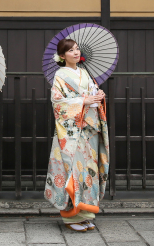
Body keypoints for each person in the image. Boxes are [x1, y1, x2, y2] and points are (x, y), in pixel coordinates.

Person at [44, 38, 110, 232]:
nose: (75, 52)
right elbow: (58, 102)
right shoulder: (60, 75)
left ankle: (85, 215)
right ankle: (71, 217)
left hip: (88, 129)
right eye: (70, 50)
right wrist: (84, 100)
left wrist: (98, 96)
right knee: (73, 170)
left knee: (88, 170)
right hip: (72, 133)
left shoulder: (84, 73)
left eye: (76, 49)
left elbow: (92, 93)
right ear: (62, 56)